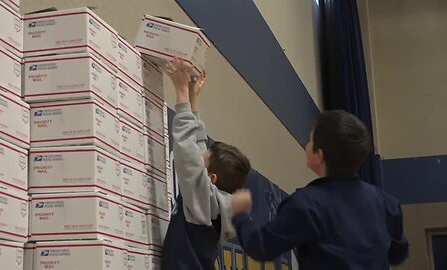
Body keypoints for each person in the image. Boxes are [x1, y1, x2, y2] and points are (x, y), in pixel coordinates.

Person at [231, 110, 409, 269]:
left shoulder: (305, 205)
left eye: (310, 140)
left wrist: (241, 215)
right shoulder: (387, 204)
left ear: (319, 155)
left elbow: (261, 247)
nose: (307, 145)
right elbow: (398, 254)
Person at [161, 58, 252, 270]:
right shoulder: (212, 206)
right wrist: (193, 97)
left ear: (211, 179)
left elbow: (188, 154)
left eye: (204, 162)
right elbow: (199, 148)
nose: (200, 156)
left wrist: (181, 92)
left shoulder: (203, 202)